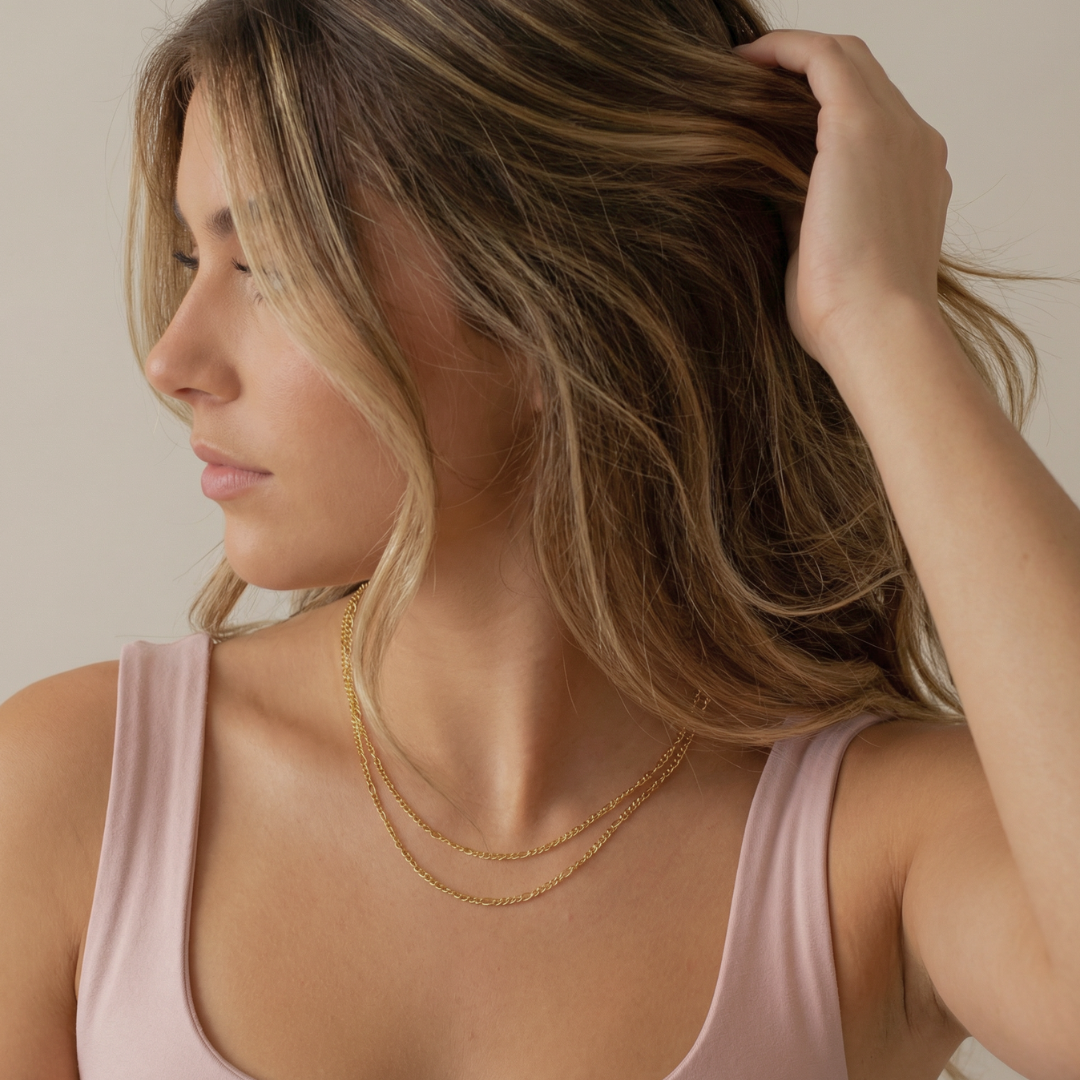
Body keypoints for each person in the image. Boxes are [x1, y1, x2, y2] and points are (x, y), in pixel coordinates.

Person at [1, 0, 1078, 1076]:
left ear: (545, 293)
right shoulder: (72, 794)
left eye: (267, 266)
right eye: (193, 260)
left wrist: (879, 318)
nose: (172, 358)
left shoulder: (876, 843)